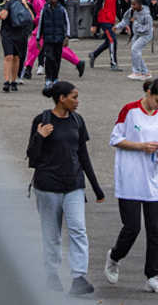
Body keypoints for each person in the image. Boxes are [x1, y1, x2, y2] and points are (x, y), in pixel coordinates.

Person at [27, 81, 106, 296]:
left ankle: (78, 277)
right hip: (47, 186)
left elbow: (83, 155)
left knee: (78, 230)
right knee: (51, 234)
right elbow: (32, 158)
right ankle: (51, 275)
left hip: (74, 185)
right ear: (61, 98)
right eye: (74, 97)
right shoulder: (42, 120)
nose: (77, 101)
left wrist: (96, 187)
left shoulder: (77, 121)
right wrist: (39, 137)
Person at [105, 79, 158, 295]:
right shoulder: (130, 111)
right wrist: (141, 146)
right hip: (130, 176)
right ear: (149, 92)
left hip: (152, 178)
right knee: (132, 227)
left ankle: (153, 276)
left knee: (154, 229)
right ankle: (114, 256)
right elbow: (116, 139)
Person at [37, 0, 81, 90]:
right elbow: (40, 24)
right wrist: (38, 38)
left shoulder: (62, 9)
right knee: (49, 58)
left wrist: (67, 36)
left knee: (57, 59)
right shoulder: (45, 9)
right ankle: (48, 79)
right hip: (48, 39)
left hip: (59, 39)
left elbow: (67, 23)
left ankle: (55, 78)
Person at [0, 0, 33, 92]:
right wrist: (7, 6)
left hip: (20, 34)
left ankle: (14, 80)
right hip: (7, 33)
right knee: (9, 57)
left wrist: (26, 6)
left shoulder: (22, 4)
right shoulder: (3, 4)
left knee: (17, 58)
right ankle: (6, 81)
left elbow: (31, 18)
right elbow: (2, 16)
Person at [115, 0, 154, 81]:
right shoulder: (131, 11)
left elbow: (147, 28)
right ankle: (145, 72)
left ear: (140, 4)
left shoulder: (147, 15)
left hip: (146, 35)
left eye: (134, 4)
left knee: (135, 49)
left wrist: (136, 24)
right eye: (131, 4)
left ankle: (137, 72)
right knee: (136, 52)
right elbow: (125, 20)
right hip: (136, 34)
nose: (132, 6)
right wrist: (117, 27)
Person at [90, 0, 123, 70]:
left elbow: (117, 9)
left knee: (108, 41)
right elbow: (96, 10)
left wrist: (123, 22)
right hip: (104, 21)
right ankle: (113, 63)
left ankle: (94, 54)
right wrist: (94, 25)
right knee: (113, 40)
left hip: (111, 21)